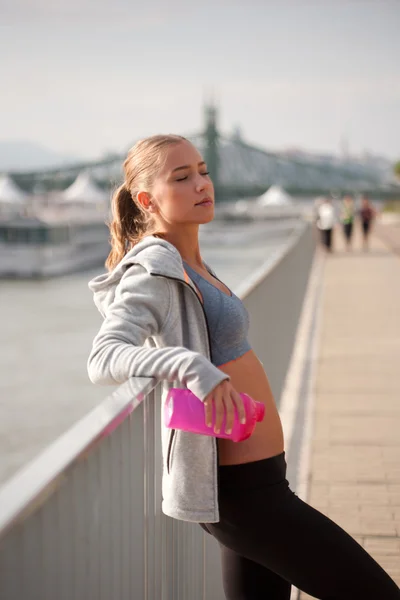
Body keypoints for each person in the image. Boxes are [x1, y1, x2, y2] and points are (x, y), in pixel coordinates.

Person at [87, 135, 400, 599]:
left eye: (203, 170)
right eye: (182, 177)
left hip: (263, 480)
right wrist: (191, 366)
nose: (202, 184)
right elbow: (104, 356)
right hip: (239, 494)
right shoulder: (152, 270)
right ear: (147, 199)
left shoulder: (192, 261)